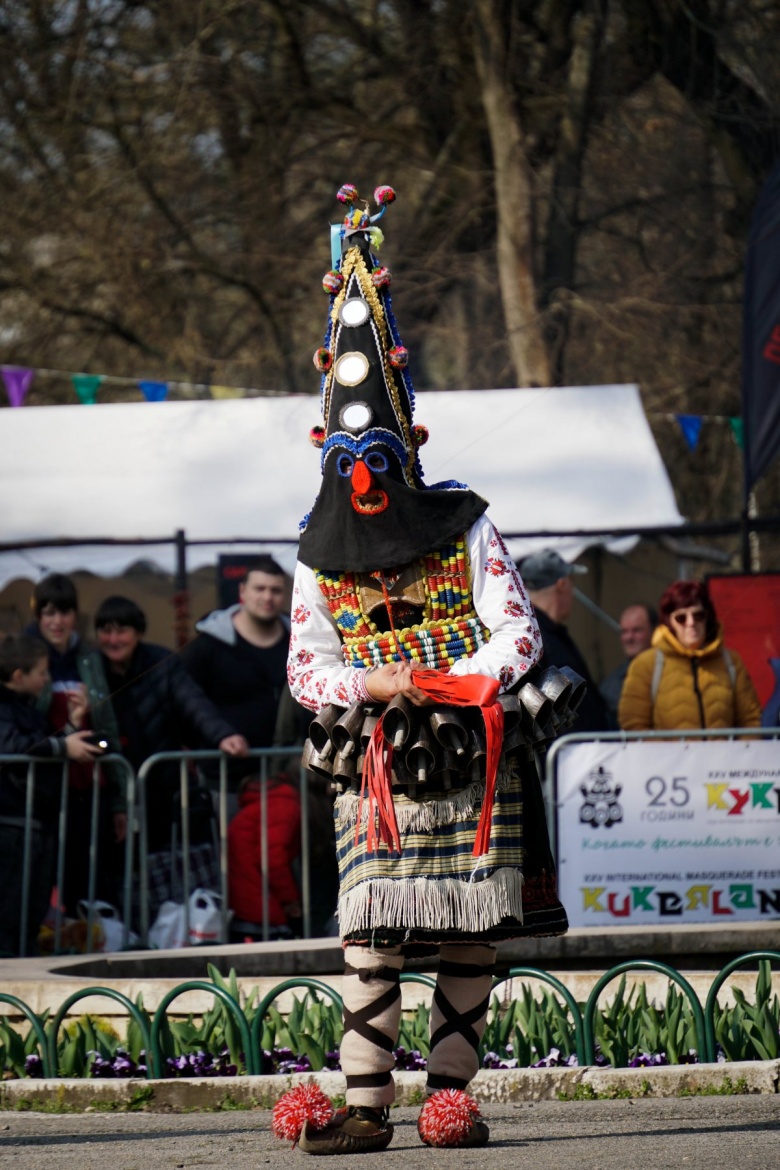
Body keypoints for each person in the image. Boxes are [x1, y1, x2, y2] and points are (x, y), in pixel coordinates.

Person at [283, 184, 568, 1153]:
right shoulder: (315, 554)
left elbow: (518, 630)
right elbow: (305, 666)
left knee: (466, 935)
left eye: (377, 456)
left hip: (470, 747)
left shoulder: (468, 525)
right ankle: (365, 1108)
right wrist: (370, 685)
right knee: (368, 938)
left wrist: (453, 680)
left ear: (400, 451)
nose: (362, 479)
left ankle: (451, 1099)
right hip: (375, 765)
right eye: (348, 461)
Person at [93, 596, 249, 856]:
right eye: (105, 631)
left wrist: (223, 735)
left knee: (163, 861)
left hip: (162, 785)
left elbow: (192, 702)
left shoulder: (161, 662)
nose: (113, 640)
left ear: (138, 632)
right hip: (110, 787)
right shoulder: (92, 668)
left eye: (121, 631)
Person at [28, 574, 125, 915]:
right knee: (38, 877)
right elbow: (22, 723)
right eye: (49, 613)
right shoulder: (24, 653)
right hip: (37, 788)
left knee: (84, 875)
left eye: (64, 613)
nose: (57, 622)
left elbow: (107, 724)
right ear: (38, 616)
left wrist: (118, 801)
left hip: (86, 784)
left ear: (74, 616)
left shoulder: (89, 657)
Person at [0, 633, 102, 955]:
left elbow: (42, 743)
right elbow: (12, 745)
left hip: (35, 823)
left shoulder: (26, 707)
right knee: (10, 914)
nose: (47, 679)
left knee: (32, 914)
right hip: (11, 825)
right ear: (19, 676)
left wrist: (71, 728)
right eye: (42, 672)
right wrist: (62, 745)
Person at [180, 556, 301, 780]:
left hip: (286, 777)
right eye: (260, 588)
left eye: (275, 590)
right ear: (242, 591)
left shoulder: (300, 643)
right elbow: (186, 701)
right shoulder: (207, 646)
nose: (267, 597)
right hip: (225, 776)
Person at [619, 579, 761, 731]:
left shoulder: (731, 661)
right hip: (667, 756)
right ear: (669, 622)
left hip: (725, 755)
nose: (691, 622)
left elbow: (750, 721)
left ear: (708, 617)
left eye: (698, 615)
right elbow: (633, 726)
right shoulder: (646, 665)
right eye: (681, 618)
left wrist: (737, 754)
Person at [518, 548, 610, 732]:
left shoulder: (535, 631)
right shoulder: (536, 636)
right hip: (570, 752)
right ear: (561, 585)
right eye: (571, 582)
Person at [227, 771, 302, 941]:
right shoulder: (283, 805)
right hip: (260, 908)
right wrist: (290, 901)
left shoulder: (262, 805)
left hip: (248, 900)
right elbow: (273, 860)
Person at [599, 603, 657, 728]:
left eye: (637, 630)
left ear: (654, 631)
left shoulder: (672, 672)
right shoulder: (610, 686)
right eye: (624, 631)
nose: (629, 637)